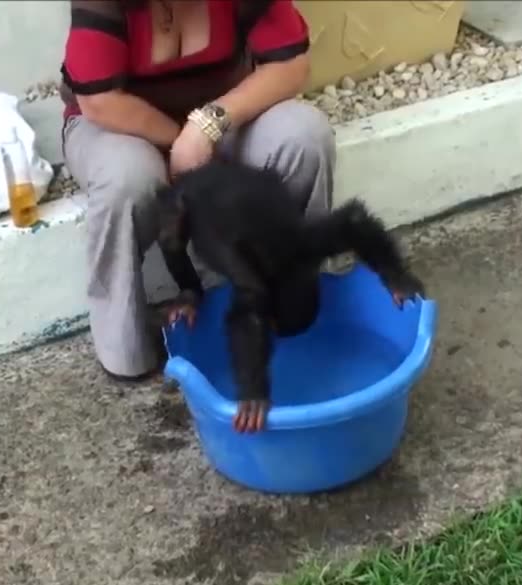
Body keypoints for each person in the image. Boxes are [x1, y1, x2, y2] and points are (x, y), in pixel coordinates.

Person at [59, 0, 336, 380]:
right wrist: (181, 144)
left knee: (304, 136)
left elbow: (291, 65)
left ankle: (292, 298)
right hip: (117, 126)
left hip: (222, 116)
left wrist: (207, 126)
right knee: (128, 179)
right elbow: (100, 101)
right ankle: (126, 350)